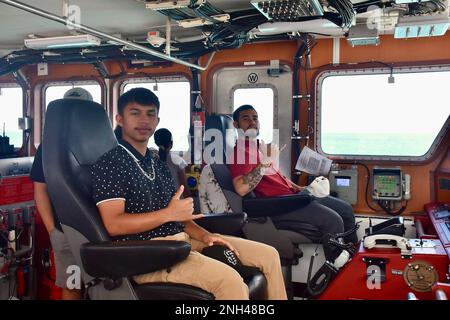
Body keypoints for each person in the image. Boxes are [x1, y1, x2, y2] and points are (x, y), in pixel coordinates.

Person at [91, 88, 287, 300]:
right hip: (148, 254)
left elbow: (180, 217)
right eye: (135, 113)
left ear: (157, 120)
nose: (144, 120)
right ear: (120, 119)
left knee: (269, 256)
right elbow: (114, 223)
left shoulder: (156, 162)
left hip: (182, 240)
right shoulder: (110, 163)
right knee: (230, 282)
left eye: (150, 114)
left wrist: (206, 236)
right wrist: (169, 214)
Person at [227, 104, 358, 245]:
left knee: (346, 210)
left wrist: (302, 188)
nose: (252, 122)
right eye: (246, 119)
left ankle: (353, 259)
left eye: (255, 118)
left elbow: (278, 180)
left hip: (294, 197)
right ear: (236, 124)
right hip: (280, 205)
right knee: (333, 220)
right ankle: (337, 264)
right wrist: (265, 163)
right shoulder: (240, 152)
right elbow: (241, 188)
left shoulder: (258, 148)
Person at [31, 87, 93, 300]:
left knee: (107, 286)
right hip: (65, 230)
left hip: (103, 229)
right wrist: (52, 231)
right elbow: (40, 190)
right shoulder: (48, 147)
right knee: (72, 284)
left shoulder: (104, 142)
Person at [153, 128, 190, 197]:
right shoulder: (177, 161)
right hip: (177, 202)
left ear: (156, 143)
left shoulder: (152, 161)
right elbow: (184, 186)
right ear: (171, 143)